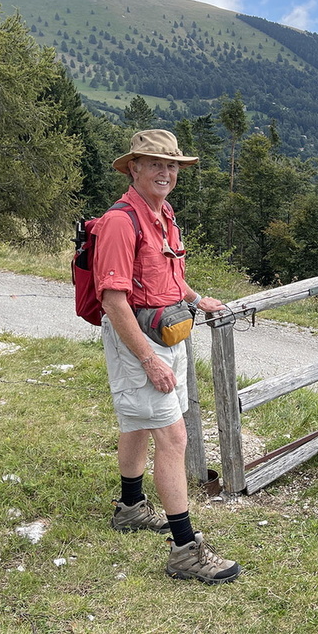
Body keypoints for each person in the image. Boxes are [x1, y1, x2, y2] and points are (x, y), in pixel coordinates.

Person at [91, 129, 240, 584]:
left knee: (137, 422)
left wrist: (196, 299)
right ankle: (184, 551)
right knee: (174, 438)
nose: (165, 172)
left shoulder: (164, 213)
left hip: (169, 331)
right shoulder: (120, 222)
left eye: (172, 165)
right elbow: (113, 301)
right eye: (155, 163)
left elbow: (170, 274)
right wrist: (148, 360)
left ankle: (131, 507)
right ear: (133, 168)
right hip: (139, 339)